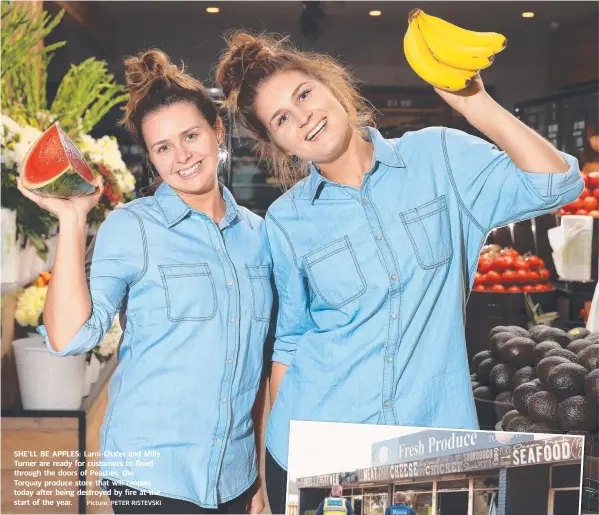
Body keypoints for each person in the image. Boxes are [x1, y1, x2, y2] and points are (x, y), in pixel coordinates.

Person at [215, 32, 584, 514]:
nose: (302, 116)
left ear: (334, 87)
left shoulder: (439, 157)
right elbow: (289, 344)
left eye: (304, 94)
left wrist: (477, 106)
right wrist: (272, 468)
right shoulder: (287, 220)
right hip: (325, 451)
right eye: (281, 118)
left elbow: (558, 183)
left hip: (430, 447)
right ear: (277, 143)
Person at [18, 49, 272, 514]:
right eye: (163, 148)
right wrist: (74, 220)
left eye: (191, 136)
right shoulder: (132, 226)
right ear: (151, 158)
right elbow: (69, 336)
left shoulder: (260, 236)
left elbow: (256, 369)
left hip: (232, 475)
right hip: (151, 478)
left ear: (217, 131)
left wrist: (256, 475)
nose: (182, 157)